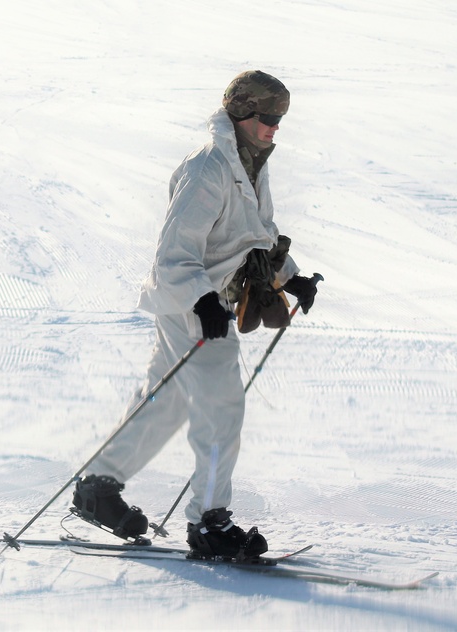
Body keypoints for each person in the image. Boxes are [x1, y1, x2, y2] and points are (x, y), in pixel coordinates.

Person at [70, 70, 319, 560]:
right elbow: (173, 255)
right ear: (243, 113)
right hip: (196, 308)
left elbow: (256, 234)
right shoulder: (209, 168)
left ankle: (98, 487)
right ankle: (209, 523)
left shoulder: (248, 163)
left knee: (168, 403)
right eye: (268, 117)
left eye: (279, 119)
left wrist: (290, 277)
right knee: (222, 411)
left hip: (205, 307)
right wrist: (202, 300)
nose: (274, 127)